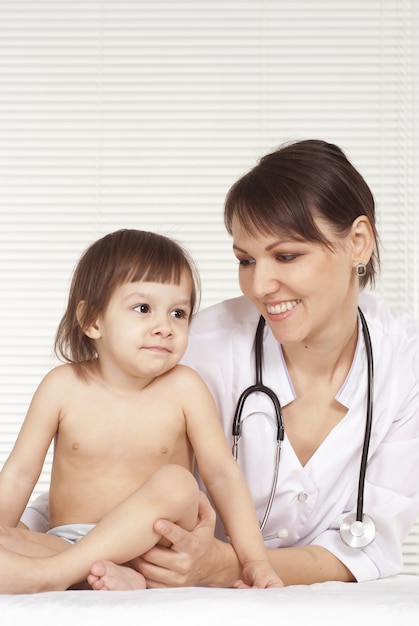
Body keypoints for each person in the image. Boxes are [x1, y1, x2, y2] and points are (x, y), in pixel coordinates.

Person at [62, 138, 418, 590]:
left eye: (286, 255)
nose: (261, 284)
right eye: (246, 260)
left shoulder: (406, 365)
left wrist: (225, 563)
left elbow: (370, 547)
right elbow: (100, 466)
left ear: (358, 243)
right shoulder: (195, 346)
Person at [0, 228, 283, 594]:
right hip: (66, 541)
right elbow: (20, 474)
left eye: (178, 313)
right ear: (93, 321)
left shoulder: (185, 388)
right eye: (143, 309)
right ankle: (98, 574)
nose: (164, 327)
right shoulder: (62, 386)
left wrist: (255, 561)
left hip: (152, 550)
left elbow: (222, 476)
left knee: (179, 485)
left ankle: (58, 575)